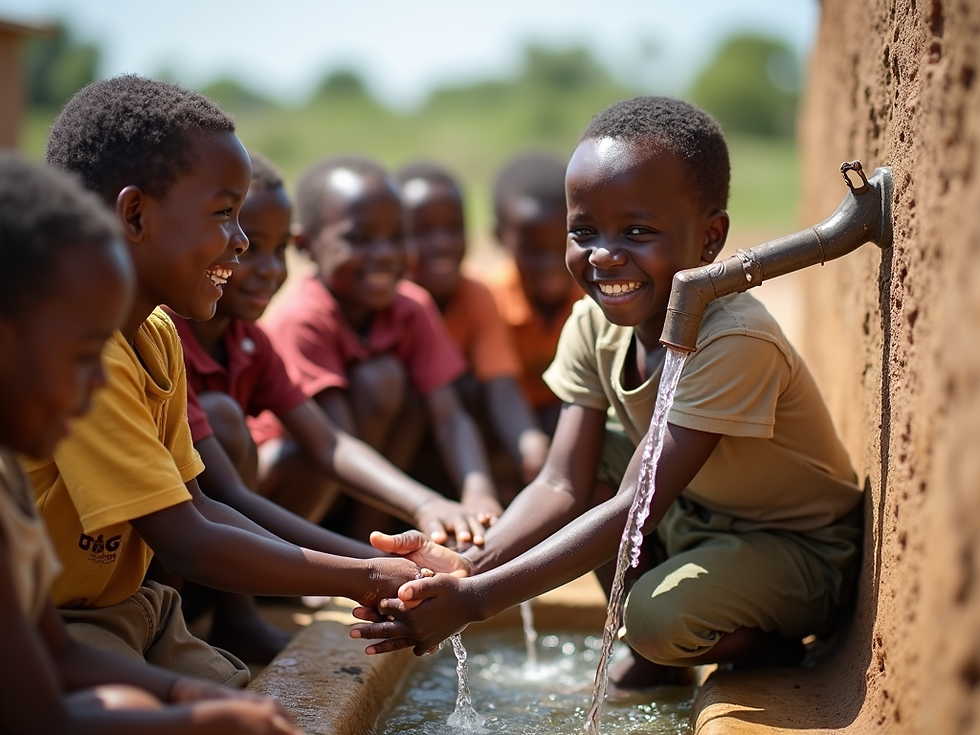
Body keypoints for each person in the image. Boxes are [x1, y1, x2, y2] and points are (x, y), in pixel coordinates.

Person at [350, 97, 863, 689]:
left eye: (638, 231)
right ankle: (667, 655)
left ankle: (754, 644)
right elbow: (561, 483)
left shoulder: (735, 339)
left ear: (710, 238)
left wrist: (474, 602)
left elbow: (632, 508)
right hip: (700, 519)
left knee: (652, 619)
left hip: (801, 554)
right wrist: (465, 569)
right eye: (584, 231)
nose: (603, 255)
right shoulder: (593, 324)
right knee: (595, 461)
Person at [23, 75, 449, 688]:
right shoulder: (83, 350)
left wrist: (377, 563)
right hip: (47, 623)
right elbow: (188, 544)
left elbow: (198, 505)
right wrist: (369, 577)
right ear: (135, 214)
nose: (242, 242)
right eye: (224, 213)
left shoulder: (156, 333)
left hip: (135, 611)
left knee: (239, 692)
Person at [0, 152, 301, 734]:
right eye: (81, 358)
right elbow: (39, 711)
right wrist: (188, 719)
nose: (97, 387)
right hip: (85, 623)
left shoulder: (9, 478)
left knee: (228, 692)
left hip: (135, 612)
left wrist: (191, 694)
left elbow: (58, 657)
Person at [170, 151, 487, 663]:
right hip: (183, 553)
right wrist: (367, 569)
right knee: (227, 419)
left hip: (228, 535)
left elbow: (330, 442)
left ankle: (241, 614)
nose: (268, 270)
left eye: (274, 252)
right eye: (246, 248)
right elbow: (221, 494)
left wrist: (425, 505)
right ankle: (220, 617)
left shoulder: (250, 341)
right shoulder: (170, 338)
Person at [253, 155, 501, 544]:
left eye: (397, 235)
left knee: (386, 380)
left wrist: (479, 494)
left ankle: (370, 538)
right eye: (360, 238)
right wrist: (427, 503)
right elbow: (332, 444)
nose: (385, 254)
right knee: (310, 441)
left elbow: (449, 416)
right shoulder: (302, 319)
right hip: (293, 488)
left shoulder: (411, 307)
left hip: (363, 482)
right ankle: (320, 557)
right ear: (305, 245)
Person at [396, 161, 549, 499]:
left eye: (453, 228)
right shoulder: (392, 302)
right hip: (397, 444)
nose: (442, 243)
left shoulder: (476, 295)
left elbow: (501, 387)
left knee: (469, 390)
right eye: (422, 231)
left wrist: (531, 444)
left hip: (456, 444)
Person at [485, 151, 584, 437]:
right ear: (500, 236)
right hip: (505, 429)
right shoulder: (491, 300)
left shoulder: (597, 300)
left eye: (563, 246)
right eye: (533, 251)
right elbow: (500, 390)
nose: (551, 266)